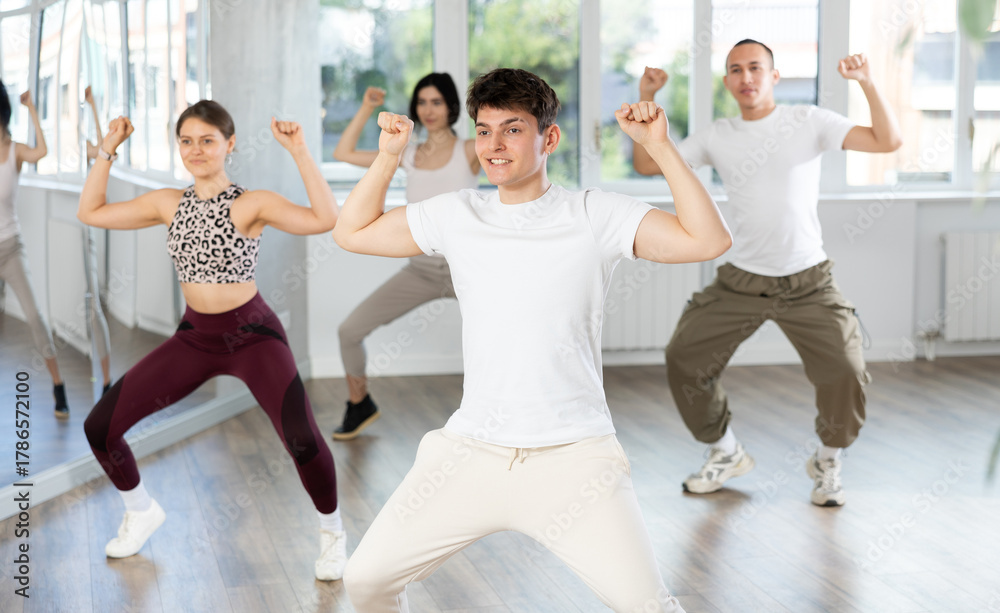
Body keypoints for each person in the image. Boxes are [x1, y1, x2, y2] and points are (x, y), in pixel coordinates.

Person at [334, 67, 731, 612]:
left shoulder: (594, 213)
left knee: (650, 607)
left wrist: (660, 149)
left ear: (549, 137)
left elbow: (708, 240)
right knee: (365, 580)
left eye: (513, 129)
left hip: (574, 460)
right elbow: (351, 232)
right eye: (485, 129)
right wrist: (388, 155)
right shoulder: (458, 214)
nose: (495, 145)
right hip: (470, 453)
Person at [78, 100, 347, 580]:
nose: (196, 150)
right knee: (100, 425)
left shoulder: (252, 203)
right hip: (194, 339)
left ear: (230, 144)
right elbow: (91, 211)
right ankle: (140, 511)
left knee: (302, 439)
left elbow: (325, 218)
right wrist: (107, 150)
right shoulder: (169, 202)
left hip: (253, 337)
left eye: (207, 140)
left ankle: (333, 534)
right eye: (186, 141)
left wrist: (301, 150)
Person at [633, 40, 902, 507]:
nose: (746, 77)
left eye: (755, 67)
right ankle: (725, 452)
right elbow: (644, 162)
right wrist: (648, 96)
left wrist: (867, 84)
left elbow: (886, 141)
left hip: (808, 280)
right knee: (683, 358)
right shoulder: (718, 133)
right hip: (742, 279)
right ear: (727, 82)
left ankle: (827, 460)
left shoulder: (809, 121)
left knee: (846, 370)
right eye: (736, 70)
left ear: (774, 76)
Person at [331, 72, 480, 440]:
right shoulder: (408, 153)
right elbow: (342, 153)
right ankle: (359, 404)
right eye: (422, 102)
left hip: (470, 269)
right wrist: (367, 107)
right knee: (349, 330)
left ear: (451, 107)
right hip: (422, 270)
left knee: (512, 332)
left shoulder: (470, 150)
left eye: (437, 102)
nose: (428, 110)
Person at [0, 82, 69, 417]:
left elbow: (42, 151)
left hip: (10, 248)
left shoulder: (16, 151)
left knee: (33, 317)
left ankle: (58, 385)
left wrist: (33, 111)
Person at [82, 85, 113, 395]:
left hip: (86, 235)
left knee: (93, 311)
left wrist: (92, 105)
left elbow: (107, 149)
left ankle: (106, 380)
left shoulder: (88, 147)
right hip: (68, 230)